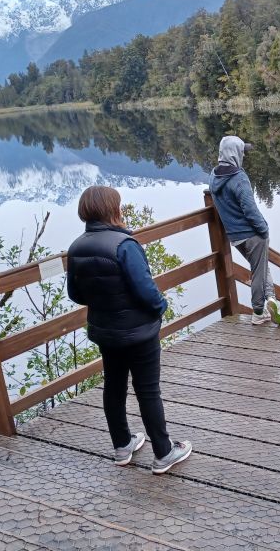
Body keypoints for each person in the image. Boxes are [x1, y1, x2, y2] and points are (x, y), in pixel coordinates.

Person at [67, 185, 192, 474]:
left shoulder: (76, 248)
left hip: (106, 331)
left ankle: (122, 445)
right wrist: (161, 306)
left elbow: (76, 294)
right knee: (147, 390)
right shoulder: (125, 246)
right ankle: (164, 452)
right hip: (139, 332)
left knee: (114, 386)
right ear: (113, 209)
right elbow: (146, 290)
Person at [209, 135, 280, 326]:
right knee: (259, 270)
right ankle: (259, 311)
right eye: (242, 151)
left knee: (262, 265)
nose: (244, 155)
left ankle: (271, 298)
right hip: (252, 234)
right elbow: (250, 210)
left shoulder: (213, 177)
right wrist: (264, 230)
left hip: (235, 237)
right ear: (235, 153)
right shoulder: (239, 178)